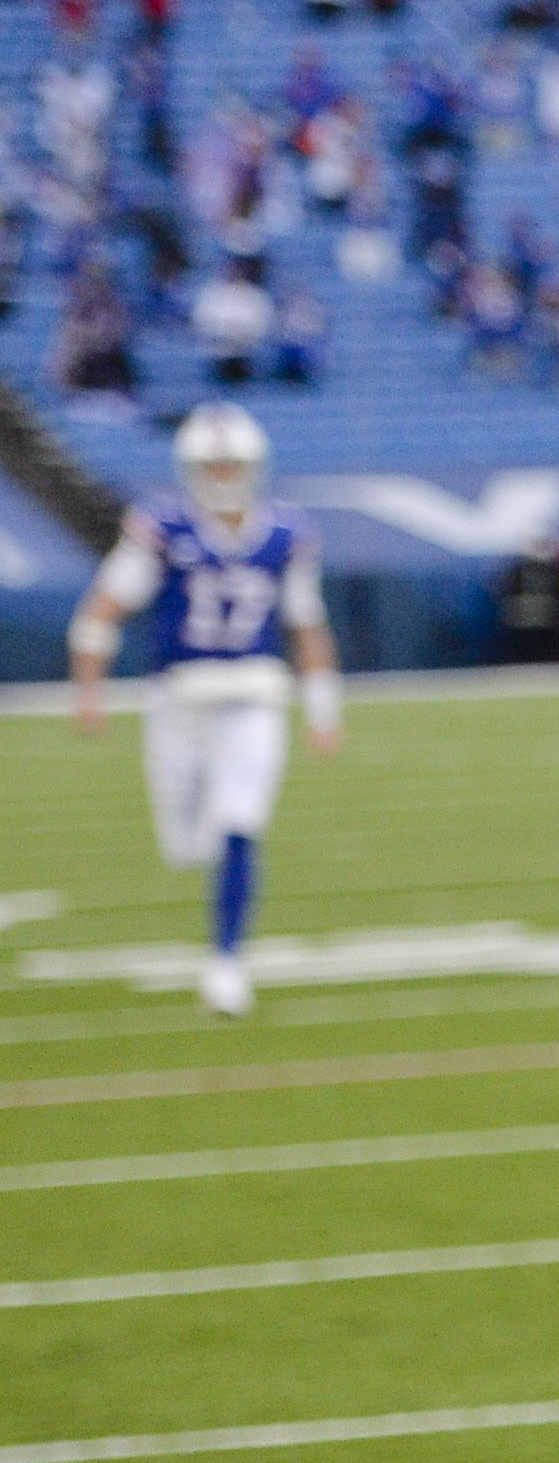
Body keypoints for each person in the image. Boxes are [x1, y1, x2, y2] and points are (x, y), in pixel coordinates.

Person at [63, 401, 339, 1020]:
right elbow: (104, 608)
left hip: (254, 695)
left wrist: (324, 710)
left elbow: (308, 625)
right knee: (187, 848)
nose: (222, 475)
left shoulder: (287, 534)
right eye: (211, 466)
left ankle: (226, 963)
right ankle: (223, 922)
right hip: (178, 701)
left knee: (240, 822)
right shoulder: (162, 527)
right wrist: (89, 693)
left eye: (232, 464)